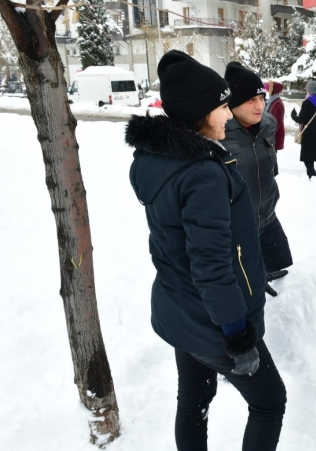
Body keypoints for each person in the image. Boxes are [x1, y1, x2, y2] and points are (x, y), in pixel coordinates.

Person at [125, 51, 286, 451]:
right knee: (269, 401)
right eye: (221, 106)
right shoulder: (202, 174)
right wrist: (237, 334)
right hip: (214, 322)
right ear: (200, 110)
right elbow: (211, 263)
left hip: (180, 310)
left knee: (194, 399)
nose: (229, 115)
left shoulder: (160, 158)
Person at [221, 62, 293, 286]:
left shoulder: (267, 125)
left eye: (261, 98)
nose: (259, 105)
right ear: (232, 104)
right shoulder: (219, 134)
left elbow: (271, 167)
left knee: (285, 280)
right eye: (251, 100)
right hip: (238, 230)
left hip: (269, 218)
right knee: (248, 289)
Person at [290, 80, 316, 179]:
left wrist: (293, 115)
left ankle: (312, 176)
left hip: (308, 134)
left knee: (307, 157)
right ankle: (311, 176)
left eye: (307, 90)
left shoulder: (306, 103)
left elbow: (301, 119)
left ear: (310, 91)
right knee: (310, 157)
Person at [264, 80, 286, 155]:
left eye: (267, 89)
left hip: (273, 137)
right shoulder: (271, 102)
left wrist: (269, 136)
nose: (266, 91)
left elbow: (277, 123)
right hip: (270, 135)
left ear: (272, 91)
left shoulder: (278, 103)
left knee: (272, 159)